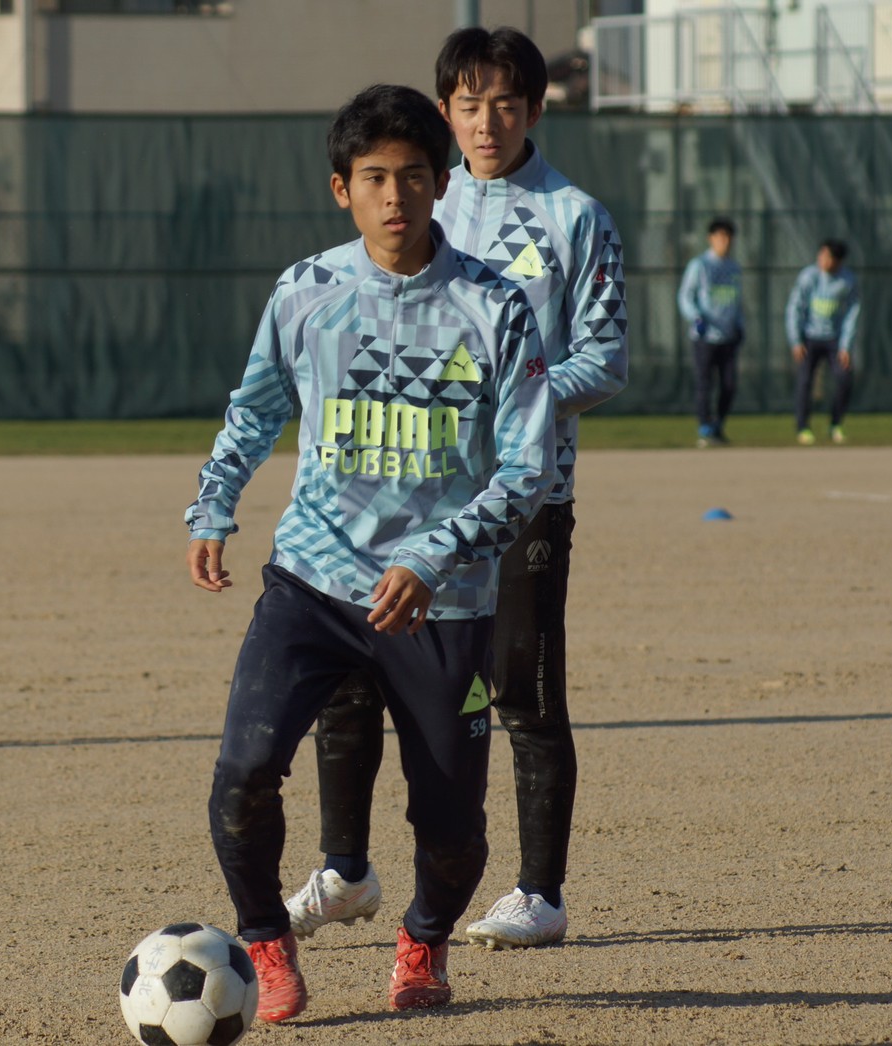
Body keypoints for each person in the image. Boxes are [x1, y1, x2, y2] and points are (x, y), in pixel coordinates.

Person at [185, 84, 556, 1020]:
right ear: (341, 188)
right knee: (242, 776)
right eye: (376, 178)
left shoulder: (494, 306)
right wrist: (213, 505)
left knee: (453, 825)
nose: (397, 196)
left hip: (443, 601)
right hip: (312, 582)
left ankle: (424, 941)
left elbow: (530, 468)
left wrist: (434, 557)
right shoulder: (306, 291)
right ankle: (265, 945)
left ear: (442, 184)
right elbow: (256, 407)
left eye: (415, 176)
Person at [286, 25, 628, 952]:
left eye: (506, 103)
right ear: (445, 112)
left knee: (521, 689)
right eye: (470, 105)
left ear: (536, 109)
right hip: (390, 497)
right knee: (350, 679)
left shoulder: (576, 218)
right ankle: (345, 871)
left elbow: (605, 358)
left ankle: (540, 892)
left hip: (522, 499)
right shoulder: (420, 198)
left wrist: (508, 398)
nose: (487, 122)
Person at [786, 239, 860, 445]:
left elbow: (852, 314)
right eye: (822, 255)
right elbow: (795, 308)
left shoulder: (847, 281)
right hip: (809, 338)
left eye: (828, 257)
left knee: (844, 378)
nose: (823, 260)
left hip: (834, 339)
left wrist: (845, 346)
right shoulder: (809, 277)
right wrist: (796, 340)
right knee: (804, 382)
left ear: (838, 261)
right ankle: (803, 427)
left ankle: (835, 424)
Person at [677, 217, 744, 447]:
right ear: (711, 239)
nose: (725, 241)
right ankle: (705, 426)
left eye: (728, 237)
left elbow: (737, 301)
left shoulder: (734, 268)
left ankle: (718, 425)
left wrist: (740, 325)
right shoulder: (700, 265)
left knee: (729, 385)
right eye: (720, 236)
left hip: (728, 336)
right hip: (705, 337)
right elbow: (685, 296)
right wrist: (696, 317)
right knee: (704, 384)